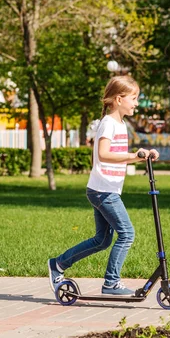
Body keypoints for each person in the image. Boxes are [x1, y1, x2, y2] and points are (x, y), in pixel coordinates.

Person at [48, 75, 159, 296]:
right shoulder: (109, 123)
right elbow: (103, 154)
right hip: (103, 191)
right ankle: (111, 282)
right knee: (126, 234)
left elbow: (113, 156)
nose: (136, 103)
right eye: (134, 98)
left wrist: (142, 156)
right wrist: (134, 155)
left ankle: (57, 265)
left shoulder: (119, 123)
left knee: (102, 240)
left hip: (103, 189)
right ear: (119, 99)